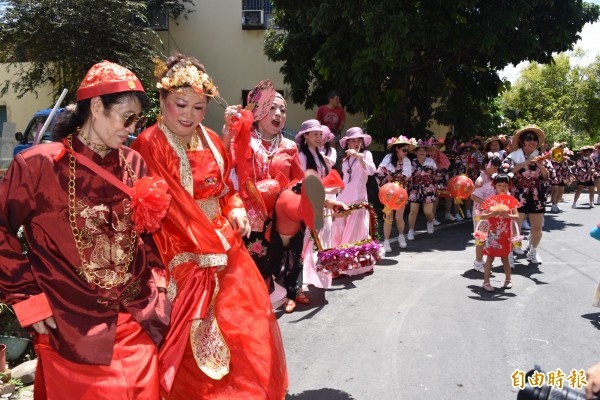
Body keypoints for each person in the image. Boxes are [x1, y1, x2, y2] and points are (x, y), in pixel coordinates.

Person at [0, 61, 170, 399]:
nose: (132, 127)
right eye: (127, 117)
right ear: (96, 106)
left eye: (138, 119)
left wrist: (160, 283)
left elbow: (148, 236)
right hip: (71, 329)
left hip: (138, 322)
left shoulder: (134, 163)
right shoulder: (38, 166)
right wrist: (29, 300)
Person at [131, 53, 288, 399]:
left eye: (198, 107)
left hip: (224, 245)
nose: (189, 115)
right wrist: (207, 243)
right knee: (192, 337)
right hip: (179, 249)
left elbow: (226, 191)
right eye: (180, 104)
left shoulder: (214, 142)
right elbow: (168, 208)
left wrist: (236, 210)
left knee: (244, 331)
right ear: (162, 100)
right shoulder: (149, 144)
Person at [501, 125, 555, 265]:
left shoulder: (541, 157)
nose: (532, 142)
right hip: (518, 194)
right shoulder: (513, 157)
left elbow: (548, 177)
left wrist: (541, 165)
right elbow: (505, 172)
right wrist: (526, 162)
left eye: (534, 139)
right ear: (522, 142)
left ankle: (532, 250)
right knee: (516, 226)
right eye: (528, 139)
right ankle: (511, 252)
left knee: (537, 227)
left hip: (537, 196)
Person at [331, 127, 377, 275]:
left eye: (359, 140)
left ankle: (355, 263)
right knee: (339, 228)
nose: (356, 142)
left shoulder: (366, 154)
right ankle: (339, 261)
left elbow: (371, 171)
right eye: (353, 140)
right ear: (347, 142)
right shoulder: (345, 158)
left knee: (355, 230)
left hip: (358, 196)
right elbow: (344, 178)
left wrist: (359, 157)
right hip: (344, 196)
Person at [375, 136, 416, 252]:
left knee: (399, 217)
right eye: (404, 150)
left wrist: (400, 180)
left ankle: (401, 235)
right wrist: (386, 177)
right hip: (388, 192)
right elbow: (378, 174)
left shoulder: (407, 161)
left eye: (407, 150)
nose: (406, 153)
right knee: (388, 216)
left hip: (400, 192)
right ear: (397, 148)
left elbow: (408, 178)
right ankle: (386, 241)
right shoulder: (388, 158)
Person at [480, 173, 520, 292]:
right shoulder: (491, 201)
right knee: (490, 258)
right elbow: (482, 216)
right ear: (494, 186)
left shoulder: (511, 201)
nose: (502, 188)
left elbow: (517, 216)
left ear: (509, 186)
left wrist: (508, 215)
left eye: (505, 185)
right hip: (492, 234)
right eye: (499, 185)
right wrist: (490, 214)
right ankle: (486, 282)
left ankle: (508, 279)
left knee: (505, 258)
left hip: (505, 234)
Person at [471, 152, 502, 272]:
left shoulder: (494, 178)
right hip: (481, 212)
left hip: (491, 211)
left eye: (497, 167)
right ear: (486, 164)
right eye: (494, 167)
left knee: (490, 236)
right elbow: (473, 196)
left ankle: (482, 260)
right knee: (481, 237)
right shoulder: (480, 179)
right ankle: (478, 262)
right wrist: (487, 203)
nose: (496, 169)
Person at [407, 140, 438, 240]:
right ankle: (410, 231)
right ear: (415, 152)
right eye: (419, 150)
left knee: (427, 212)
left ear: (427, 152)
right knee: (413, 211)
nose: (422, 152)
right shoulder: (411, 163)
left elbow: (436, 175)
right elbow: (408, 177)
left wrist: (438, 183)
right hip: (415, 189)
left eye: (424, 150)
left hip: (428, 189)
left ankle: (430, 221)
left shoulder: (431, 162)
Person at [572, 145, 598, 209]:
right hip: (582, 177)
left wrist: (593, 170)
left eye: (589, 152)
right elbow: (580, 167)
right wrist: (588, 170)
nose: (588, 153)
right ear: (584, 152)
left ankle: (591, 202)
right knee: (579, 189)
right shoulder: (580, 159)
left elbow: (593, 167)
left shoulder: (591, 159)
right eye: (587, 152)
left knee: (592, 189)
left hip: (590, 176)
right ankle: (574, 203)